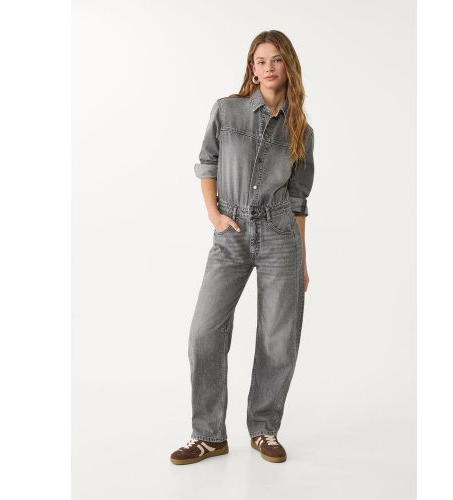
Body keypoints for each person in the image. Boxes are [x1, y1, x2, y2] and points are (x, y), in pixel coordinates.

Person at [170, 30, 315, 465]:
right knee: (204, 333)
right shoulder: (227, 110)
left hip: (280, 237)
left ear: (288, 66)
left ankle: (264, 429)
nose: (269, 67)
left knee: (278, 339)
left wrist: (303, 261)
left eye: (276, 60)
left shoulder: (301, 130)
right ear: (252, 68)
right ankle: (208, 435)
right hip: (231, 234)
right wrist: (215, 216)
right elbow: (207, 163)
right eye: (261, 60)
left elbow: (298, 201)